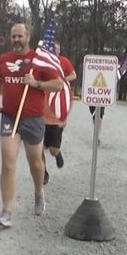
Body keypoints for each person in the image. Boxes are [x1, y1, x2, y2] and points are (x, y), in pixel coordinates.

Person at [0, 23, 63, 228]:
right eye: (13, 36)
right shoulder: (4, 59)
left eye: (19, 36)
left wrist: (37, 84)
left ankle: (39, 192)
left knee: (36, 163)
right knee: (7, 163)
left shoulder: (39, 59)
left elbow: (58, 84)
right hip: (9, 117)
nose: (16, 40)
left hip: (32, 118)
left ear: (28, 37)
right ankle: (6, 211)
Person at [42, 42, 77, 184]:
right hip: (41, 117)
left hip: (56, 118)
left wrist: (62, 80)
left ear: (59, 50)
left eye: (56, 48)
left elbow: (73, 75)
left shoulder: (64, 62)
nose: (53, 50)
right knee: (38, 149)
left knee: (52, 149)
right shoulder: (43, 64)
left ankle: (57, 154)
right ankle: (43, 173)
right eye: (51, 48)